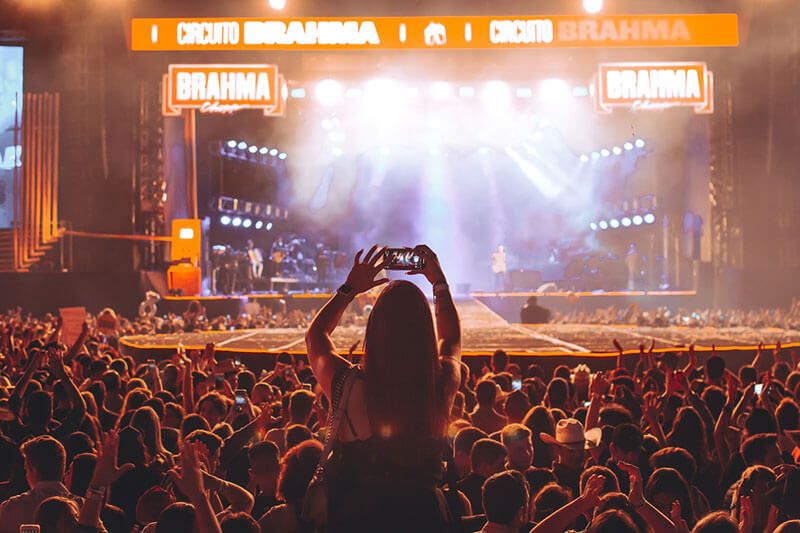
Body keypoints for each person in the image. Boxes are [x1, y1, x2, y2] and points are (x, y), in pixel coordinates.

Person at [305, 244, 461, 532]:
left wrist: (349, 289)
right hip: (425, 516)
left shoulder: (348, 384)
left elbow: (316, 337)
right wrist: (439, 284)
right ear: (425, 329)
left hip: (358, 517)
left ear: (375, 328)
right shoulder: (439, 384)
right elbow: (451, 341)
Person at [0, 435, 81, 533]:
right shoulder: (83, 507)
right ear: (62, 468)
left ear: (34, 471)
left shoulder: (11, 508)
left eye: (26, 470)